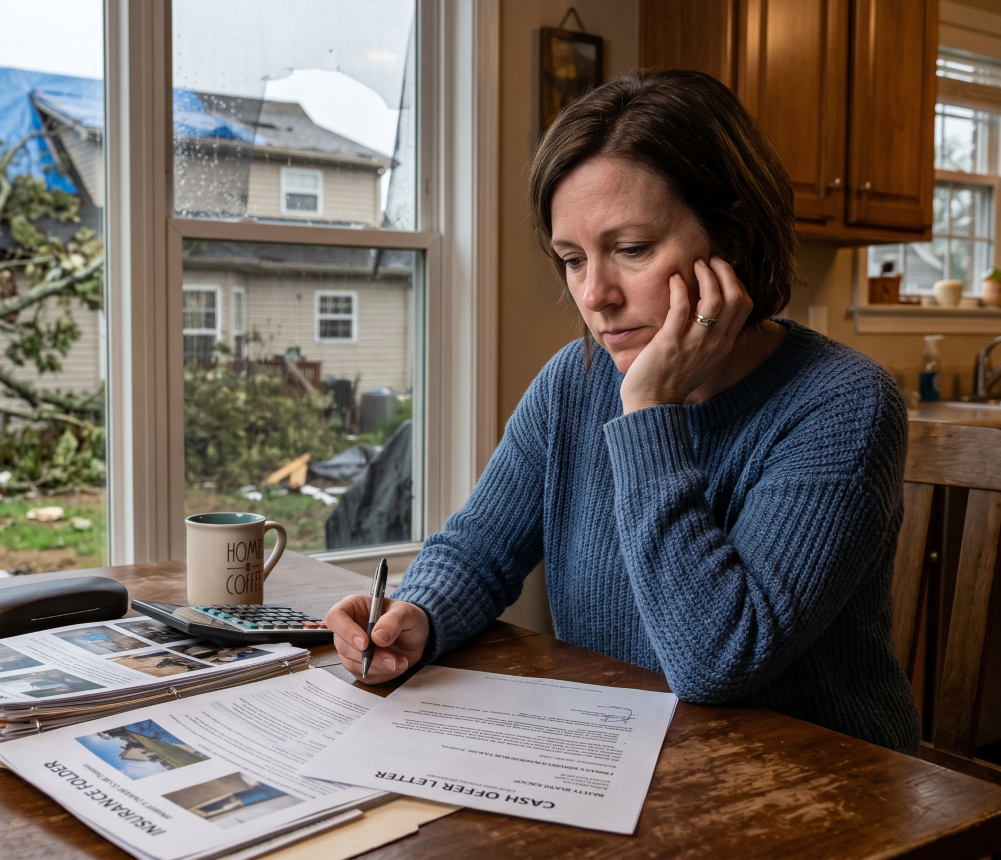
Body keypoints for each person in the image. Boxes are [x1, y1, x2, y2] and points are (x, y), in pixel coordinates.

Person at [324, 69, 920, 754]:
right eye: (572, 259)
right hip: (625, 757)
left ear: (733, 232)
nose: (596, 295)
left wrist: (648, 415)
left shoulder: (843, 404)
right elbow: (480, 548)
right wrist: (415, 616)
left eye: (631, 249)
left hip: (822, 786)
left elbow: (715, 661)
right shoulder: (573, 382)